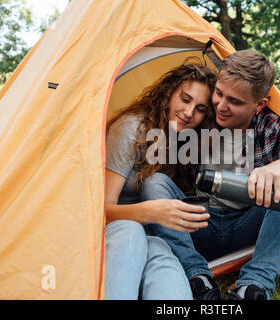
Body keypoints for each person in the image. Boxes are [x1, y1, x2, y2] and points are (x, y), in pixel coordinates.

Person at [140, 50, 280, 300]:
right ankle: (197, 279)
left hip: (249, 224)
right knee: (154, 183)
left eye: (235, 102)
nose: (222, 107)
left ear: (259, 105)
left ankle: (254, 285)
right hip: (202, 223)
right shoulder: (202, 117)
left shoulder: (268, 127)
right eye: (219, 94)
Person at [104, 63, 216, 299]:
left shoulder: (181, 140)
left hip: (149, 232)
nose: (188, 113)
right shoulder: (131, 129)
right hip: (114, 231)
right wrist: (151, 212)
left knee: (164, 253)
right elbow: (100, 212)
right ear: (168, 94)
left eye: (200, 109)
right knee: (134, 232)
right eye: (185, 99)